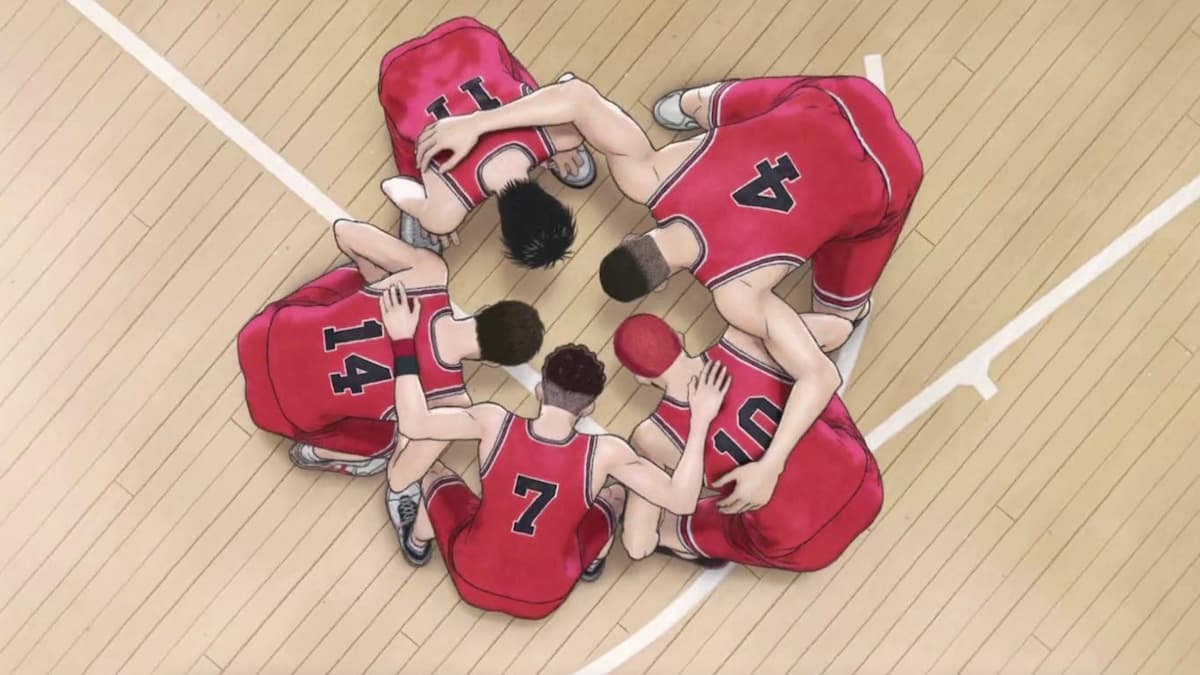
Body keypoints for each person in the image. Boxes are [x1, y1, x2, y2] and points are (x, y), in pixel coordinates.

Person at [413, 72, 922, 485]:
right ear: (636, 240)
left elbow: (821, 375)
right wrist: (478, 122)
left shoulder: (739, 295)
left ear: (657, 285)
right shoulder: (651, 176)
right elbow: (577, 96)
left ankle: (850, 306)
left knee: (842, 316)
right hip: (836, 99)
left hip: (889, 179)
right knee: (708, 107)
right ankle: (693, 102)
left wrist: (771, 465)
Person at [378, 290, 730, 619]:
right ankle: (593, 562)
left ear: (540, 390)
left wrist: (402, 340)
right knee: (615, 497)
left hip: (471, 577)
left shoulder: (493, 422)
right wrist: (700, 420)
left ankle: (416, 542)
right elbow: (682, 501)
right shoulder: (605, 453)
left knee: (435, 474)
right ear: (589, 407)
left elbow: (414, 422)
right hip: (544, 597)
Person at [236, 218, 545, 479]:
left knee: (357, 281)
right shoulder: (452, 402)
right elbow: (400, 477)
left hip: (260, 334)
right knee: (391, 442)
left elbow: (344, 230)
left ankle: (383, 275)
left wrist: (376, 278)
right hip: (274, 413)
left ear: (485, 309)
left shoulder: (430, 274)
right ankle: (323, 453)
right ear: (492, 362)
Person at [613, 314, 883, 571]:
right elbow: (839, 330)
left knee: (675, 522)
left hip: (805, 548)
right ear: (679, 337)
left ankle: (683, 540)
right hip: (866, 486)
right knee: (808, 388)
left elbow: (639, 545)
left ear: (641, 378)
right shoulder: (745, 339)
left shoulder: (652, 437)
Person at [378, 16, 595, 264]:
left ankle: (426, 192)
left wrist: (556, 143)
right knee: (416, 153)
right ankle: (422, 195)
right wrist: (430, 215)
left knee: (529, 93)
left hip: (468, 36)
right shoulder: (446, 213)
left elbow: (568, 84)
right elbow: (393, 186)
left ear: (551, 199)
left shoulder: (566, 135)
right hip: (397, 74)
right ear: (504, 227)